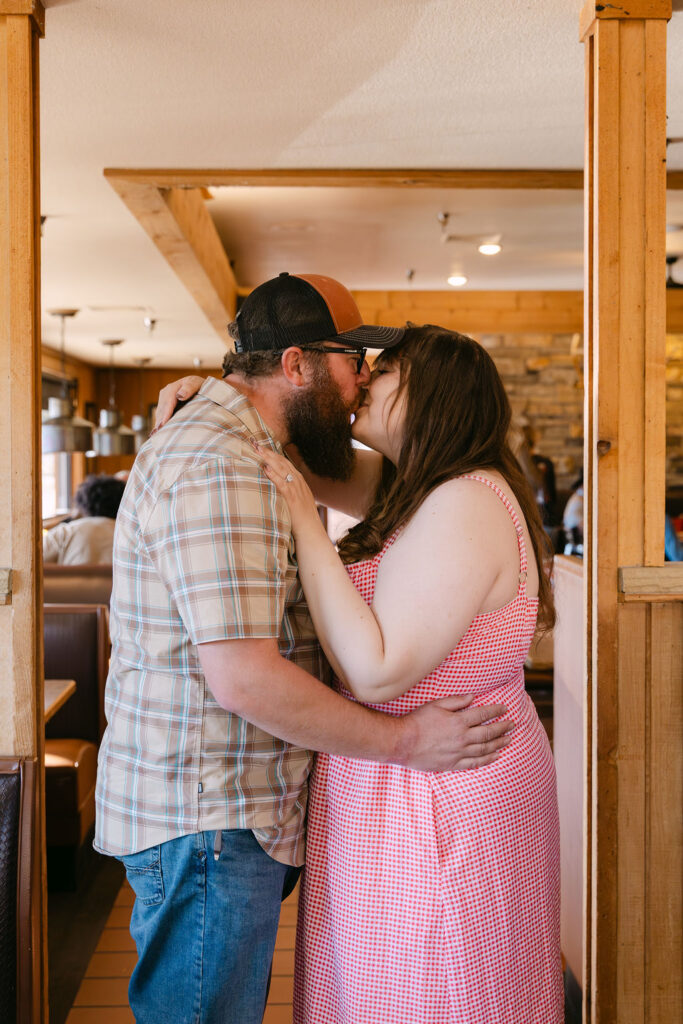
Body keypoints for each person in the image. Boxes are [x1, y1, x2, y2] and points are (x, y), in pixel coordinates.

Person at [95, 274, 514, 1024]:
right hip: (211, 815)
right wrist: (404, 739)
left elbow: (385, 483)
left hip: (226, 813)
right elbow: (246, 681)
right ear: (295, 365)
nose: (362, 380)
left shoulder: (262, 448)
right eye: (353, 359)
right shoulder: (224, 462)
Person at [164, 324, 564, 1023]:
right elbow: (273, 442)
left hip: (440, 787)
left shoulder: (465, 498)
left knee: (434, 985)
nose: (366, 380)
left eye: (385, 370)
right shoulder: (415, 486)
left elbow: (376, 670)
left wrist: (306, 523)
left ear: (431, 391)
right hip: (404, 778)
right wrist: (218, 396)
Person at [43, 473, 125, 564]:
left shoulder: (66, 531)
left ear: (82, 503)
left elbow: (35, 560)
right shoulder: (129, 534)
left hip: (71, 578)